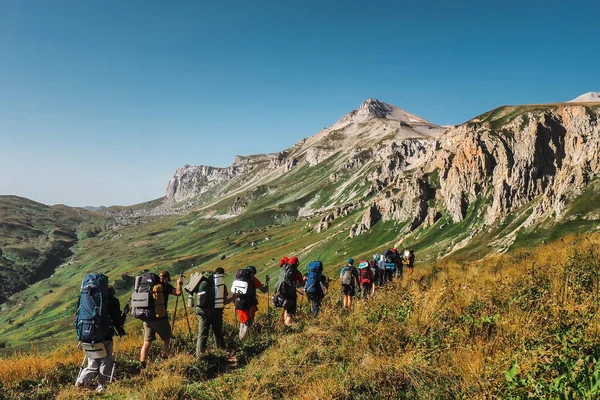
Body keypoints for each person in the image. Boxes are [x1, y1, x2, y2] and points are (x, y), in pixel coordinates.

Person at [76, 284, 127, 393]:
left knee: (93, 363)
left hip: (88, 335)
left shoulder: (89, 300)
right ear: (112, 292)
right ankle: (101, 387)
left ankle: (81, 381)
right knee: (105, 361)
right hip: (105, 336)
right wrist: (125, 315)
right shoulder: (113, 301)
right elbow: (118, 321)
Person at [140, 270, 182, 367]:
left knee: (146, 343)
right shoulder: (165, 286)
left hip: (147, 318)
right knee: (167, 339)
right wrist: (178, 283)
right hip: (159, 318)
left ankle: (143, 364)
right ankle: (164, 359)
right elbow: (178, 292)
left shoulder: (148, 286)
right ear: (167, 278)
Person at [196, 267, 236, 355]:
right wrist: (235, 296)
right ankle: (221, 351)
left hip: (203, 313)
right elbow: (225, 301)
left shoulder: (204, 283)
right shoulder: (222, 286)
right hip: (216, 313)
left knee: (202, 334)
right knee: (218, 333)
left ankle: (199, 355)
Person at [237, 266, 269, 340]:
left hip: (239, 304)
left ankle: (240, 339)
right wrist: (266, 281)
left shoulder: (239, 280)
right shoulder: (254, 280)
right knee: (248, 323)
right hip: (249, 304)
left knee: (242, 323)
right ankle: (243, 341)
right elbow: (264, 290)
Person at [281, 256, 304, 326]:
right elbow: (301, 282)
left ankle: (285, 323)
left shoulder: (284, 270)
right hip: (291, 293)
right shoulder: (296, 272)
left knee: (286, 308)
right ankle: (287, 326)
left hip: (282, 292)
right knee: (290, 311)